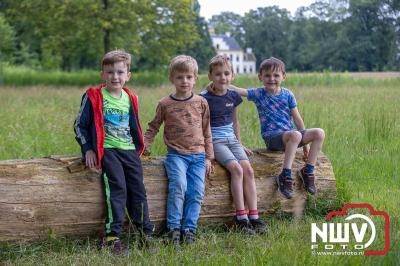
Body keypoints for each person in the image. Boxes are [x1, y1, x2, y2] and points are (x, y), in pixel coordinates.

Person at [74, 50, 154, 255]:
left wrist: (140, 148)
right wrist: (88, 149)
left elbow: (133, 125)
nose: (115, 77)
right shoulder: (94, 96)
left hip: (129, 151)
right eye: (110, 72)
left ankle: (145, 233)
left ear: (128, 75)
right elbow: (79, 125)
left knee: (138, 191)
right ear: (102, 74)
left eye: (120, 72)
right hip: (107, 150)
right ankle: (112, 237)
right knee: (117, 189)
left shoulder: (130, 97)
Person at [230, 57, 325, 199]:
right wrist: (221, 82)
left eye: (276, 75)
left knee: (319, 132)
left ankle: (308, 171)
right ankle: (285, 175)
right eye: (267, 75)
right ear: (260, 77)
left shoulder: (288, 94)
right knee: (295, 135)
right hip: (273, 138)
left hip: (291, 136)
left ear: (283, 76)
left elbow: (297, 119)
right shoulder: (259, 94)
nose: (271, 79)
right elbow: (238, 90)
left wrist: (306, 146)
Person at [144, 55, 214, 247]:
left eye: (189, 77)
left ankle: (189, 228)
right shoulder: (165, 104)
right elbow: (153, 126)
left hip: (199, 156)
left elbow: (207, 130)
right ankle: (173, 228)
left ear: (195, 78)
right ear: (172, 79)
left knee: (197, 191)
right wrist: (145, 145)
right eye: (180, 77)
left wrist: (209, 157)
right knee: (179, 187)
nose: (185, 81)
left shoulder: (201, 102)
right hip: (176, 156)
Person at [201, 55, 266, 234]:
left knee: (248, 169)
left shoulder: (233, 95)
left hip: (232, 140)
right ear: (210, 76)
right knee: (236, 169)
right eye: (218, 74)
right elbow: (202, 125)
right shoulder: (204, 98)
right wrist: (207, 150)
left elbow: (235, 121)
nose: (223, 77)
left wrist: (239, 142)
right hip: (216, 142)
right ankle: (241, 217)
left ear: (233, 76)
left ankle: (255, 216)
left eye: (227, 73)